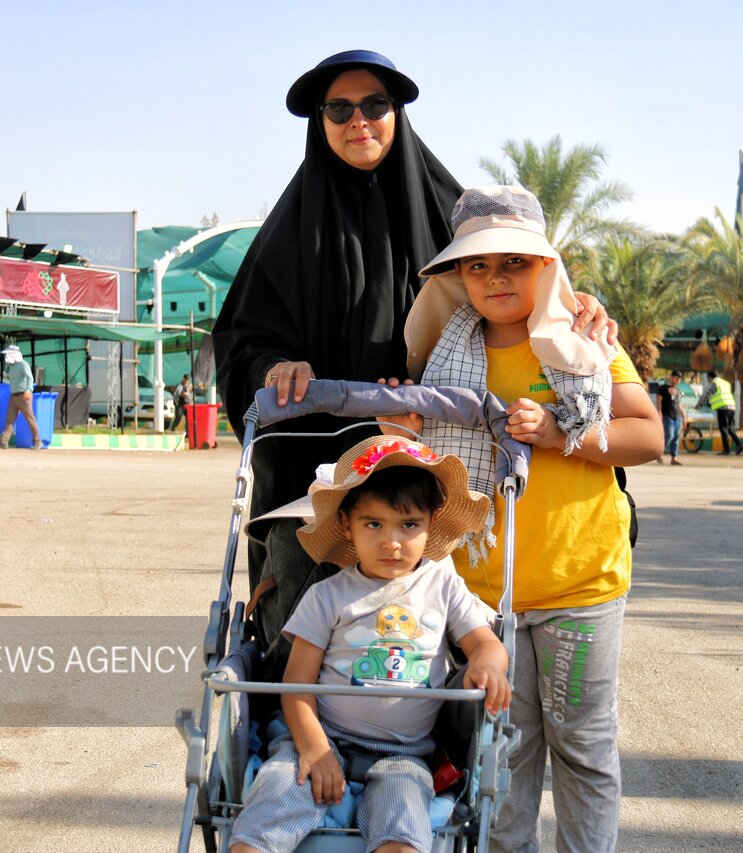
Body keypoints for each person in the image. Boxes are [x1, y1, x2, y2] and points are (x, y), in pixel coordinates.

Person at [211, 50, 616, 653]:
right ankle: (291, 737)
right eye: (339, 109)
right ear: (319, 123)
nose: (359, 121)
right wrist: (276, 365)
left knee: (421, 647)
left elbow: (515, 274)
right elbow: (243, 336)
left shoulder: (447, 213)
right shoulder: (289, 233)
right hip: (313, 473)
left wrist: (573, 301)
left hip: (429, 469)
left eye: (374, 105)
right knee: (301, 640)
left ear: (397, 114)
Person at [390, 185, 662, 852]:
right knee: (502, 754)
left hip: (580, 588)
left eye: (513, 261)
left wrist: (557, 435)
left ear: (545, 265)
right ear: (458, 275)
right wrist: (400, 429)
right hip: (484, 600)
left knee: (584, 749)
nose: (495, 278)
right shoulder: (441, 358)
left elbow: (647, 435)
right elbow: (425, 473)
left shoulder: (583, 344)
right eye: (477, 265)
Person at [229, 435, 510, 853]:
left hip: (406, 755)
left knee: (402, 833)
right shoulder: (328, 595)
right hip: (324, 735)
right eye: (373, 524)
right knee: (269, 811)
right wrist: (314, 747)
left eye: (409, 524)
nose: (391, 542)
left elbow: (486, 643)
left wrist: (488, 663)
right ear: (346, 524)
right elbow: (296, 685)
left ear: (431, 522)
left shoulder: (443, 585)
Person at [0, 345, 41, 449]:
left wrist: (28, 390)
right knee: (9, 419)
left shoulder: (23, 364)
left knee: (29, 418)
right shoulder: (12, 367)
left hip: (24, 395)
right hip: (14, 395)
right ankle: (3, 441)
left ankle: (37, 441)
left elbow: (30, 378)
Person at [705, 370, 743, 455]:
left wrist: (697, 406)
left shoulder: (713, 383)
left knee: (723, 429)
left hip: (722, 408)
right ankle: (739, 444)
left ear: (710, 378)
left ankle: (726, 450)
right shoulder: (725, 383)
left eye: (707, 378)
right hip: (731, 407)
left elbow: (705, 395)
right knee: (730, 428)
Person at [656, 370, 686, 465]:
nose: (677, 381)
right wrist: (659, 412)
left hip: (677, 416)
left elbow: (679, 404)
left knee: (676, 437)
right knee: (669, 435)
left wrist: (684, 416)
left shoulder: (678, 391)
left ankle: (674, 458)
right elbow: (659, 402)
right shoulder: (663, 388)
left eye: (679, 379)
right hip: (667, 415)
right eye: (676, 378)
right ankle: (659, 453)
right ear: (671, 377)